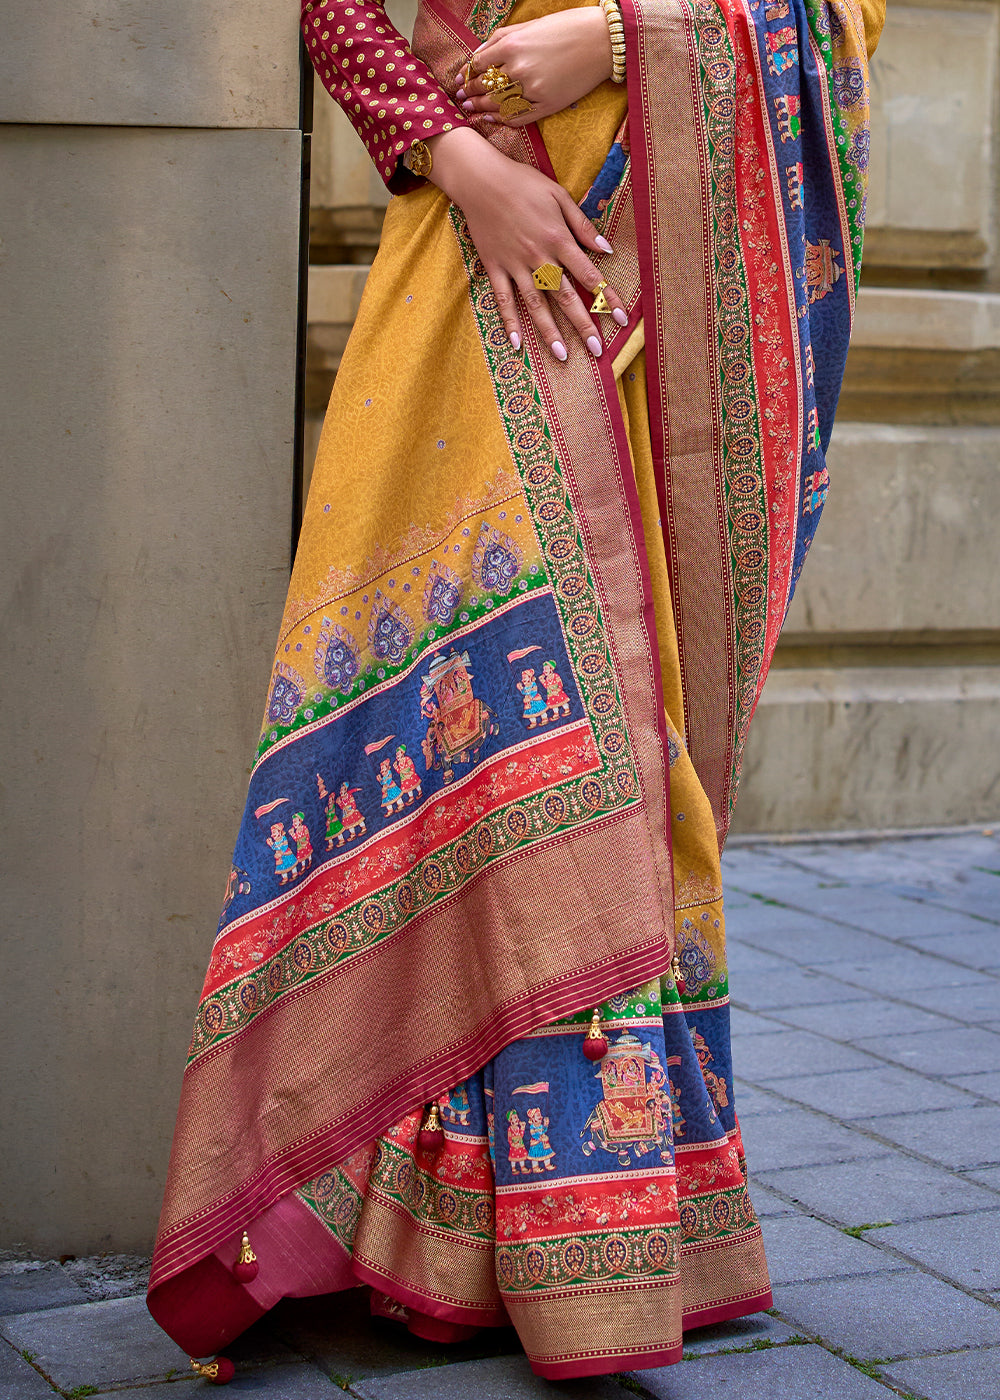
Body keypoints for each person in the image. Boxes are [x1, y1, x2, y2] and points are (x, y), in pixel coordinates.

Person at [148, 0, 886, 1381]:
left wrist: (627, 40)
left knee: (618, 738)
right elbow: (345, 12)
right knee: (482, 729)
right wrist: (465, 165)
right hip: (474, 280)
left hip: (659, 298)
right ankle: (413, 1230)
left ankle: (596, 1234)